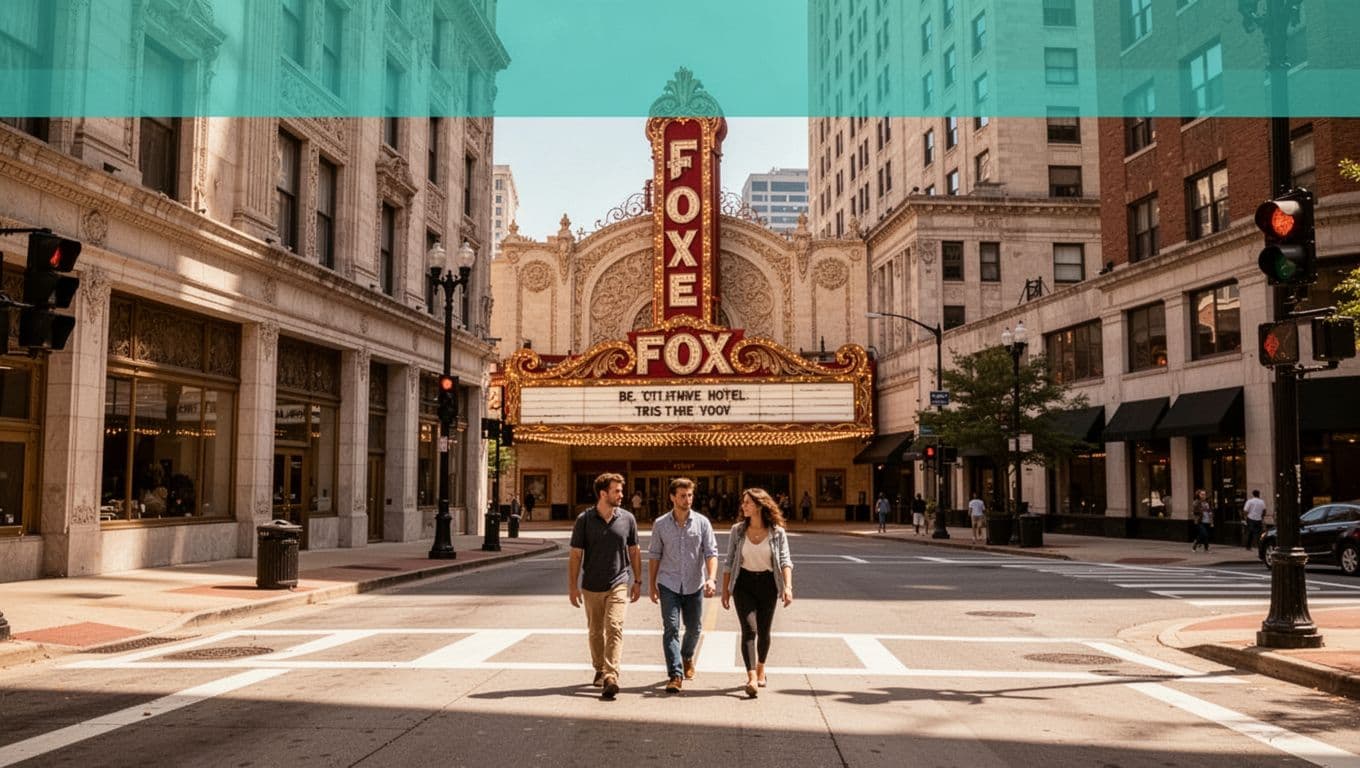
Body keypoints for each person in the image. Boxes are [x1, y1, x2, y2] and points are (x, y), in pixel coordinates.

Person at [568, 473, 642, 700]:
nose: (621, 495)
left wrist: (637, 580)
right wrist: (573, 586)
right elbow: (575, 555)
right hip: (591, 585)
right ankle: (599, 667)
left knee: (614, 626)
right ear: (603, 493)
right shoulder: (584, 520)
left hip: (618, 582)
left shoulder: (628, 518)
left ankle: (611, 675)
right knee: (595, 631)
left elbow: (634, 551)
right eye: (616, 491)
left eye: (621, 490)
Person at [648, 477, 719, 694]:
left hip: (694, 584)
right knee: (670, 628)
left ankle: (687, 656)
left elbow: (711, 553)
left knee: (694, 628)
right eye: (682, 496)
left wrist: (711, 578)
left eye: (690, 495)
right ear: (672, 497)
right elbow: (654, 555)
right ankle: (675, 674)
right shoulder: (660, 524)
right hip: (668, 583)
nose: (687, 499)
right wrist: (651, 584)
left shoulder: (702, 523)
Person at [721, 488, 794, 699]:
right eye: (743, 502)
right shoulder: (738, 530)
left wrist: (787, 587)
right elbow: (729, 561)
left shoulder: (777, 532)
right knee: (749, 629)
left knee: (764, 630)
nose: (743, 506)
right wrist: (726, 591)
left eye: (747, 503)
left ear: (759, 506)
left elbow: (785, 561)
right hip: (743, 584)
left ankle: (761, 666)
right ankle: (751, 677)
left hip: (768, 584)